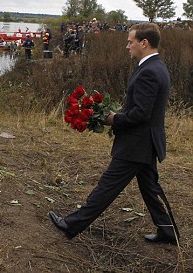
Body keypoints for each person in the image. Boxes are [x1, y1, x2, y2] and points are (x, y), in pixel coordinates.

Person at [49, 23, 180, 244]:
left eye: (130, 42)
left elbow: (141, 113)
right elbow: (142, 108)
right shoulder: (157, 66)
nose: (127, 46)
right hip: (146, 142)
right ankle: (167, 231)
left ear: (144, 43)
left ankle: (72, 225)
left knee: (107, 186)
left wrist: (114, 119)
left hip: (136, 145)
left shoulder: (149, 71)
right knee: (150, 188)